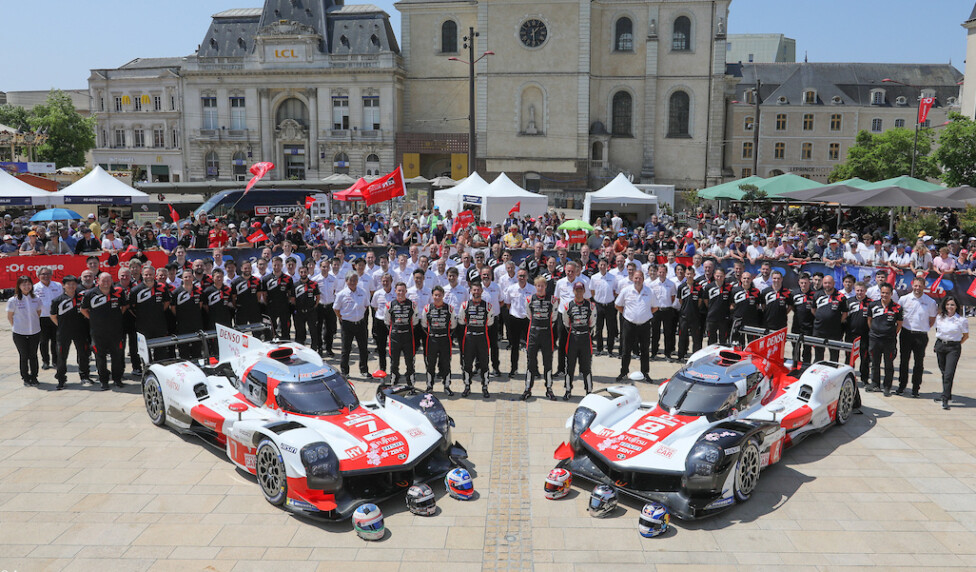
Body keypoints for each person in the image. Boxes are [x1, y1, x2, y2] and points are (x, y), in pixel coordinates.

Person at [81, 272, 128, 390]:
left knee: (117, 356)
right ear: (98, 281)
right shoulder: (90, 294)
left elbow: (124, 307)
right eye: (103, 280)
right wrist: (93, 319)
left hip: (116, 332)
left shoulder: (118, 292)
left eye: (108, 280)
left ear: (112, 281)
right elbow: (83, 309)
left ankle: (117, 379)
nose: (106, 283)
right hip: (98, 332)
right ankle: (104, 380)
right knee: (100, 357)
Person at [896, 276, 938, 397]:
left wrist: (922, 327)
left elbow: (932, 319)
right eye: (915, 285)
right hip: (906, 333)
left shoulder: (930, 302)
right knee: (904, 361)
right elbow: (899, 316)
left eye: (920, 286)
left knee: (919, 363)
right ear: (912, 285)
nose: (917, 288)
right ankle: (902, 386)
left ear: (924, 287)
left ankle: (915, 388)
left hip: (921, 335)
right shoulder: (904, 299)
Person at [615, 269, 657, 382]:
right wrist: (627, 314)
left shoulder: (649, 291)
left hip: (644, 325)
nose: (638, 280)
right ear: (633, 278)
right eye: (636, 278)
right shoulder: (626, 290)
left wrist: (644, 315)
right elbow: (618, 305)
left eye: (640, 278)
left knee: (644, 350)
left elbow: (655, 307)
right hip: (629, 324)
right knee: (626, 350)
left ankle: (645, 373)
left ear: (643, 279)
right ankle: (623, 372)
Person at [50, 275, 91, 389]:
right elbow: (53, 316)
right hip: (63, 333)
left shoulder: (82, 298)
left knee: (83, 354)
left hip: (80, 331)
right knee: (62, 356)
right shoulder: (57, 300)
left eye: (73, 284)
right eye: (68, 284)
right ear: (64, 286)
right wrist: (62, 326)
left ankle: (84, 376)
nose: (71, 286)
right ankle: (61, 379)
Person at [522, 276, 558, 401]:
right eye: (538, 286)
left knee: (547, 363)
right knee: (530, 362)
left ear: (546, 287)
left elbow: (554, 317)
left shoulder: (552, 300)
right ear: (535, 287)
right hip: (533, 334)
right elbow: (528, 315)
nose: (540, 288)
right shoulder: (529, 299)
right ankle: (528, 388)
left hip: (547, 335)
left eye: (542, 285)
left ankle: (549, 389)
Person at [866, 283, 902, 396]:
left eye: (887, 293)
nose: (884, 295)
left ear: (891, 294)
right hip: (874, 340)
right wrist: (875, 331)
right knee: (875, 363)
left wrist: (890, 333)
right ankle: (875, 384)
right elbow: (869, 321)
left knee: (888, 364)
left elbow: (899, 324)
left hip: (889, 341)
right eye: (883, 292)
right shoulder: (872, 305)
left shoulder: (897, 308)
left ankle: (887, 386)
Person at [458, 281, 493, 398]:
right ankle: (467, 386)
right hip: (469, 337)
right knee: (467, 363)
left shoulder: (488, 306)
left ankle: (485, 386)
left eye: (478, 290)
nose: (476, 292)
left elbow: (490, 322)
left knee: (484, 363)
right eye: (474, 290)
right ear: (470, 291)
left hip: (482, 336)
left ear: (482, 291)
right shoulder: (465, 305)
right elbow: (461, 320)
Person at [130, 266, 172, 362]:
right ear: (142, 275)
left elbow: (166, 302)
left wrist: (158, 311)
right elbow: (131, 307)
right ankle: (147, 371)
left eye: (150, 274)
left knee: (161, 350)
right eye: (146, 274)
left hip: (159, 324)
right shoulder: (135, 290)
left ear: (154, 275)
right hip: (142, 325)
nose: (148, 276)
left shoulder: (162, 288)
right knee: (144, 351)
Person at [934, 295, 968, 410]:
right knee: (943, 371)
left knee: (949, 373)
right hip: (940, 346)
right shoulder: (939, 318)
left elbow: (965, 336)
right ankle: (946, 392)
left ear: (956, 306)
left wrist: (956, 344)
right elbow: (937, 330)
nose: (950, 307)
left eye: (952, 305)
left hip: (953, 348)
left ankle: (945, 399)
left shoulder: (961, 320)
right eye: (948, 304)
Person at [7, 275, 43, 386]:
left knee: (33, 355)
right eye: (24, 284)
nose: (26, 286)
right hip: (19, 333)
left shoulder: (36, 298)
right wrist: (17, 326)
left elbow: (38, 313)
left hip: (35, 332)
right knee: (24, 355)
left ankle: (34, 377)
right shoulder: (13, 300)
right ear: (19, 286)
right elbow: (10, 316)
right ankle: (25, 378)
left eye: (28, 284)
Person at [334, 272, 371, 378]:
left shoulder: (362, 292)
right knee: (346, 349)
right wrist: (341, 317)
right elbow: (336, 308)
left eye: (355, 280)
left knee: (363, 348)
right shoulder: (342, 294)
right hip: (347, 325)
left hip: (360, 324)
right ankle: (345, 372)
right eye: (350, 280)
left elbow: (366, 305)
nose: (353, 282)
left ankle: (364, 370)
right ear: (346, 281)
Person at [563, 282, 596, 399]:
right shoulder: (568, 306)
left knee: (586, 366)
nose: (579, 292)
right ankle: (567, 390)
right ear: (573, 291)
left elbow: (592, 323)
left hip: (585, 339)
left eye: (581, 290)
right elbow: (566, 323)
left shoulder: (591, 306)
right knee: (570, 366)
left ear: (584, 291)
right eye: (577, 290)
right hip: (572, 338)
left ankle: (589, 391)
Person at [420, 285, 456, 394]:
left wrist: (445, 334)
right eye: (435, 295)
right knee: (430, 364)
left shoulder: (449, 309)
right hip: (432, 340)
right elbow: (424, 325)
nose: (437, 297)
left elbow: (453, 325)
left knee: (446, 363)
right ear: (432, 296)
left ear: (443, 296)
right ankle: (430, 386)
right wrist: (432, 334)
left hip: (445, 340)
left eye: (439, 295)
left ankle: (446, 386)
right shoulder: (427, 308)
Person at [385, 282, 419, 386]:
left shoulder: (412, 305)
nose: (401, 293)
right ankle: (395, 378)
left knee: (410, 360)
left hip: (408, 337)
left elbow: (415, 321)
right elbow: (387, 321)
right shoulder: (390, 305)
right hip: (395, 337)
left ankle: (410, 380)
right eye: (399, 290)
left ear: (406, 291)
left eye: (403, 290)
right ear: (395, 291)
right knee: (394, 361)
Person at [812, 275, 848, 362]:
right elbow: (813, 310)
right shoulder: (817, 295)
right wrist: (821, 318)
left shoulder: (841, 296)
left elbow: (845, 313)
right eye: (825, 283)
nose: (827, 285)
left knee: (834, 356)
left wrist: (835, 322)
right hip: (819, 330)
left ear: (834, 284)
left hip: (834, 332)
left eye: (829, 283)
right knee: (818, 355)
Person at [33, 267, 63, 371]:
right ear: (38, 276)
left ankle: (55, 361)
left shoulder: (58, 286)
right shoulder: (34, 288)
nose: (45, 276)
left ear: (51, 274)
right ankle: (45, 361)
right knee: (43, 341)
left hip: (55, 317)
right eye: (43, 274)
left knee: (56, 341)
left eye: (48, 274)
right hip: (41, 318)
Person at [504, 268, 533, 376]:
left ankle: (532, 369)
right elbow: (508, 304)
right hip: (514, 319)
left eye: (523, 276)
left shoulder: (532, 289)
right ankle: (513, 369)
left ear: (527, 277)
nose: (521, 278)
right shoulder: (511, 289)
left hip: (527, 320)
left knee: (530, 347)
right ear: (517, 277)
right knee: (514, 346)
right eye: (520, 276)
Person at [172, 269, 205, 359]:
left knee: (197, 348)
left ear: (193, 277)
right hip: (182, 325)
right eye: (185, 277)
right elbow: (173, 308)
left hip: (196, 323)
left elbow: (200, 306)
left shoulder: (199, 291)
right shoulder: (176, 292)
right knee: (183, 349)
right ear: (182, 278)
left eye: (190, 276)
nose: (188, 278)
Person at [261, 257, 295, 339]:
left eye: (279, 265)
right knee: (271, 327)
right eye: (275, 265)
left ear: (282, 266)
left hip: (284, 306)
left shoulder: (288, 279)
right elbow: (264, 294)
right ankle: (270, 341)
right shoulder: (266, 279)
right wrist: (268, 303)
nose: (276, 267)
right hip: (271, 306)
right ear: (271, 265)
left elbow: (290, 293)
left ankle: (285, 341)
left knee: (285, 326)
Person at [846, 281, 872, 387]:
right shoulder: (849, 301)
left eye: (862, 290)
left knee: (865, 358)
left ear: (865, 291)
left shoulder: (871, 303)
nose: (860, 292)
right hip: (851, 335)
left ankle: (865, 379)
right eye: (857, 290)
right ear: (854, 290)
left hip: (865, 336)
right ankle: (848, 377)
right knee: (849, 358)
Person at [674, 263, 702, 362]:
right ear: (685, 275)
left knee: (696, 338)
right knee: (682, 336)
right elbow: (681, 301)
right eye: (687, 274)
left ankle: (696, 357)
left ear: (694, 275)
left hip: (695, 317)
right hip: (683, 316)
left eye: (691, 274)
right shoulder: (681, 287)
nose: (689, 275)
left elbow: (700, 302)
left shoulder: (699, 287)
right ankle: (681, 355)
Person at [649, 264, 677, 360]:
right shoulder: (652, 284)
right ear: (657, 272)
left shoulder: (671, 284)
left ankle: (667, 354)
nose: (661, 274)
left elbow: (673, 297)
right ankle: (653, 353)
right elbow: (651, 298)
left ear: (666, 273)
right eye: (660, 272)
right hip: (656, 311)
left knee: (668, 333)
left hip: (667, 310)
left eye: (663, 272)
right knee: (655, 333)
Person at [730, 271, 762, 346]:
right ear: (741, 279)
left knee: (752, 343)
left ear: (751, 279)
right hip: (738, 320)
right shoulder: (734, 290)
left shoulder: (756, 291)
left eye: (748, 278)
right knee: (739, 343)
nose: (746, 280)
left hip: (752, 321)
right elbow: (732, 305)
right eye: (744, 278)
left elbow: (757, 305)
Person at [292, 266, 321, 351]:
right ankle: (300, 349)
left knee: (313, 331)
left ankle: (314, 348)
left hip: (311, 312)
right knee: (300, 331)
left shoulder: (314, 284)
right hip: (299, 312)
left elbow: (318, 297)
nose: (303, 274)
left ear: (308, 272)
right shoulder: (295, 285)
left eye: (305, 272)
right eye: (301, 272)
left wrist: (314, 307)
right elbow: (293, 299)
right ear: (299, 273)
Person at [702, 267, 733, 345]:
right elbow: (706, 300)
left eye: (721, 276)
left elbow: (731, 301)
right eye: (717, 276)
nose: (719, 278)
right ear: (714, 276)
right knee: (712, 339)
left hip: (724, 317)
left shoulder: (729, 287)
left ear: (725, 276)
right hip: (712, 317)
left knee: (723, 339)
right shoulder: (709, 287)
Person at [370, 273, 394, 374]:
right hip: (380, 322)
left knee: (393, 348)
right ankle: (382, 368)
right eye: (383, 281)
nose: (385, 283)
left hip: (392, 323)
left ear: (391, 282)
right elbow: (375, 307)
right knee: (381, 347)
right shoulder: (377, 293)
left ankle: (394, 369)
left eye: (387, 281)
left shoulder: (396, 293)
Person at [791, 272, 816, 364]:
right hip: (796, 325)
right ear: (799, 283)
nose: (804, 285)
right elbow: (792, 307)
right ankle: (795, 366)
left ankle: (805, 366)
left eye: (805, 283)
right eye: (802, 283)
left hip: (809, 326)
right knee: (796, 348)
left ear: (809, 282)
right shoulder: (794, 293)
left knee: (807, 350)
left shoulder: (815, 294)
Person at [231, 260, 263, 327]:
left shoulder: (257, 281)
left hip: (254, 309)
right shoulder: (235, 282)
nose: (247, 270)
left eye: (249, 268)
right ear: (241, 269)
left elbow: (259, 296)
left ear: (251, 269)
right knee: (240, 331)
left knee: (256, 330)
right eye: (245, 268)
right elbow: (233, 297)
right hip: (241, 310)